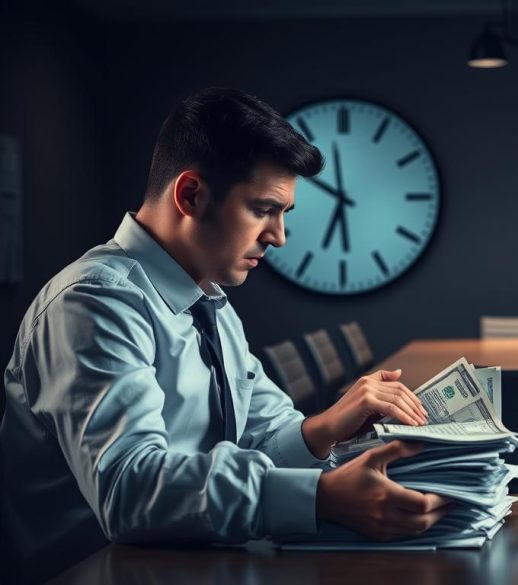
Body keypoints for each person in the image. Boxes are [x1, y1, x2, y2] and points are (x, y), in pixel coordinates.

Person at [0, 88, 448, 582]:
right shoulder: (91, 304)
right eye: (263, 209)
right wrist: (319, 497)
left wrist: (325, 427)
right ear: (190, 194)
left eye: (283, 214)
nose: (277, 235)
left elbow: (258, 438)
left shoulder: (211, 304)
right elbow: (129, 490)